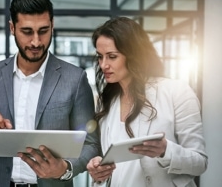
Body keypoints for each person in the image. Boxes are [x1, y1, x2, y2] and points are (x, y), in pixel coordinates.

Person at [0, 0, 99, 187]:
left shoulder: (75, 79)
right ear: (12, 28)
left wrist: (64, 168)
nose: (36, 41)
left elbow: (90, 144)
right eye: (27, 32)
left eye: (43, 31)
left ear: (52, 26)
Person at [86, 17, 208, 187]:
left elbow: (200, 162)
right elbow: (112, 165)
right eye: (100, 57)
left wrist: (165, 151)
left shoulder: (176, 92)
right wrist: (99, 171)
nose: (103, 65)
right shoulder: (107, 103)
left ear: (133, 54)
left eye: (112, 57)